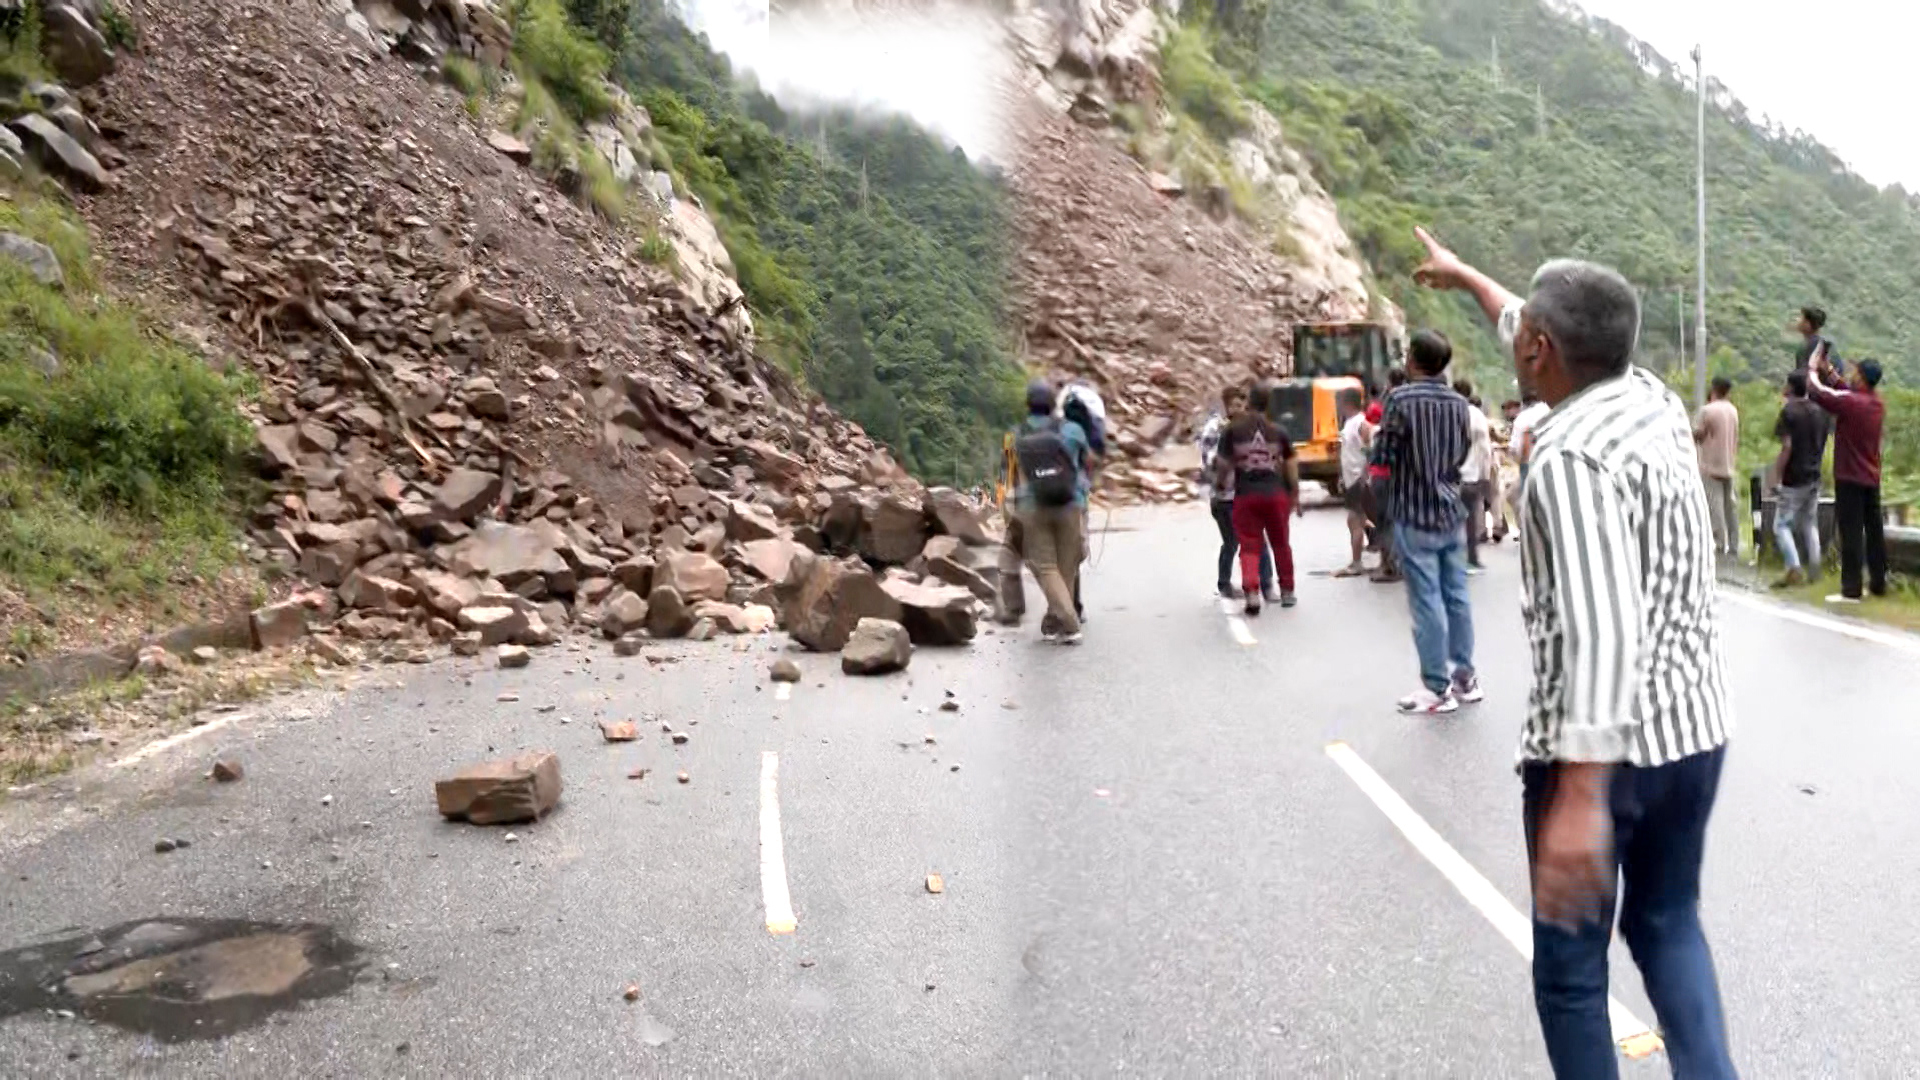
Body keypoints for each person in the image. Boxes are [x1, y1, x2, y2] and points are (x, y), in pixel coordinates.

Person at [1414, 226, 1737, 1080]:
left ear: (1541, 351)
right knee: (1669, 923)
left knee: (1569, 977)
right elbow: (1524, 314)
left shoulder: (1566, 456)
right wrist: (1464, 276)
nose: (1517, 333)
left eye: (1527, 331)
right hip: (1695, 731)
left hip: (1603, 752)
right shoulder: (1652, 398)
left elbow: (1601, 628)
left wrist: (1581, 798)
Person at [1371, 330, 1477, 714]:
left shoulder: (1399, 398)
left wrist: (1381, 506)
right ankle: (1465, 678)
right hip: (1451, 510)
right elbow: (1463, 451)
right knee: (1457, 596)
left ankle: (1436, 687)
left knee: (1426, 600)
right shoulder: (1459, 403)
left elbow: (1383, 455)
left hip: (1414, 514)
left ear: (1412, 359)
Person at [1011, 381, 1094, 643]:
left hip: (1032, 505)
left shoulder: (1016, 433)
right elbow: (1086, 464)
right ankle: (1068, 622)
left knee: (1045, 566)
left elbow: (1010, 472)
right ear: (1052, 405)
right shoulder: (1072, 430)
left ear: (1027, 405)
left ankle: (1059, 619)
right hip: (1070, 502)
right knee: (1067, 566)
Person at [1212, 381, 1299, 615]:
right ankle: (1287, 591)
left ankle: (1251, 593)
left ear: (1249, 403)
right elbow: (1291, 465)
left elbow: (1223, 465)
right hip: (1275, 494)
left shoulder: (1233, 431)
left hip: (1246, 496)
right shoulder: (1279, 431)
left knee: (1250, 546)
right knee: (1281, 544)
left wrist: (1220, 484)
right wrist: (1294, 494)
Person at [1808, 354, 1888, 602]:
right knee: (1874, 532)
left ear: (1862, 378)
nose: (1852, 375)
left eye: (1857, 373)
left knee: (1851, 532)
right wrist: (1829, 370)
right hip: (1871, 476)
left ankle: (1851, 589)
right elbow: (1844, 392)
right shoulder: (1875, 403)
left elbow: (1819, 392)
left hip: (1849, 476)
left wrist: (1812, 369)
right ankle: (1878, 582)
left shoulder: (1852, 403)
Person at [1198, 387, 1274, 599]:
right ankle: (1230, 585)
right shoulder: (1215, 429)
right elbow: (1210, 461)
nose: (1239, 410)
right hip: (1225, 498)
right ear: (1226, 406)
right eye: (1234, 406)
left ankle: (1265, 585)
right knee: (1235, 541)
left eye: (1242, 406)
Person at [1769, 370, 1829, 588]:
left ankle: (1793, 567)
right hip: (1814, 474)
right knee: (1808, 523)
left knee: (1782, 525)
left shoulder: (1789, 412)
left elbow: (1787, 446)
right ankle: (1815, 570)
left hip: (1794, 477)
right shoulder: (1820, 412)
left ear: (1790, 387)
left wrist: (1777, 474)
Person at [1693, 377, 1740, 557]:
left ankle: (1719, 544)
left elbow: (1699, 433)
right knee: (1730, 507)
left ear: (1713, 389)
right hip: (1729, 462)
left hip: (1710, 465)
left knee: (1715, 507)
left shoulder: (1707, 410)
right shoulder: (1733, 410)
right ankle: (1734, 545)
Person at [1334, 389, 1377, 577]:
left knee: (1355, 520)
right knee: (1359, 519)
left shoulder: (1360, 423)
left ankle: (1356, 562)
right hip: (1352, 479)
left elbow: (1370, 449)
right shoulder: (1350, 424)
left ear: (1346, 403)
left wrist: (1365, 475)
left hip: (1359, 479)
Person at [1456, 380, 1495, 572]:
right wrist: (1485, 476)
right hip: (1471, 475)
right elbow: (1485, 449)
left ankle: (1457, 559)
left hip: (1450, 476)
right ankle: (1471, 559)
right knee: (1470, 520)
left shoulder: (1449, 412)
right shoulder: (1476, 415)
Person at [1793, 306, 1835, 372]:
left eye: (1801, 318)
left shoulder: (1811, 347)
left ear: (1807, 324)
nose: (1797, 320)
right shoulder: (1820, 344)